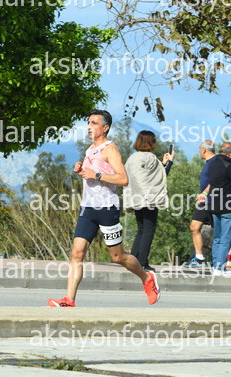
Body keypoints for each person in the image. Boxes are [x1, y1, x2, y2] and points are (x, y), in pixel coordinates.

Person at [48, 110, 160, 307]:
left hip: (107, 209)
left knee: (118, 257)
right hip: (88, 208)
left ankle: (147, 278)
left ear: (105, 127)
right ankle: (69, 299)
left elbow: (123, 179)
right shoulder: (90, 150)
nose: (89, 126)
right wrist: (81, 170)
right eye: (88, 122)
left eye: (94, 123)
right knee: (76, 253)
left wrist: (96, 175)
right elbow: (92, 174)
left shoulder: (110, 149)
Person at [123, 131, 175, 272]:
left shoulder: (132, 158)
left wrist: (162, 163)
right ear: (151, 142)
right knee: (148, 230)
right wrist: (170, 162)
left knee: (141, 230)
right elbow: (161, 177)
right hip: (149, 199)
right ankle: (143, 262)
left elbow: (148, 176)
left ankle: (133, 260)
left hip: (136, 198)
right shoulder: (150, 157)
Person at [207, 142, 231, 275]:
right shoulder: (229, 165)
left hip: (214, 205)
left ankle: (215, 266)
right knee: (226, 238)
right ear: (230, 154)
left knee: (217, 238)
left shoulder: (212, 164)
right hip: (228, 206)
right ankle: (220, 268)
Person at [184, 140, 216, 269]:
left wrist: (204, 193)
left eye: (199, 149)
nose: (199, 152)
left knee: (218, 231)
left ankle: (219, 260)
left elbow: (215, 181)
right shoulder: (209, 162)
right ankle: (199, 259)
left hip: (213, 201)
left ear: (204, 150)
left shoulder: (215, 163)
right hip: (205, 202)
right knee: (194, 227)